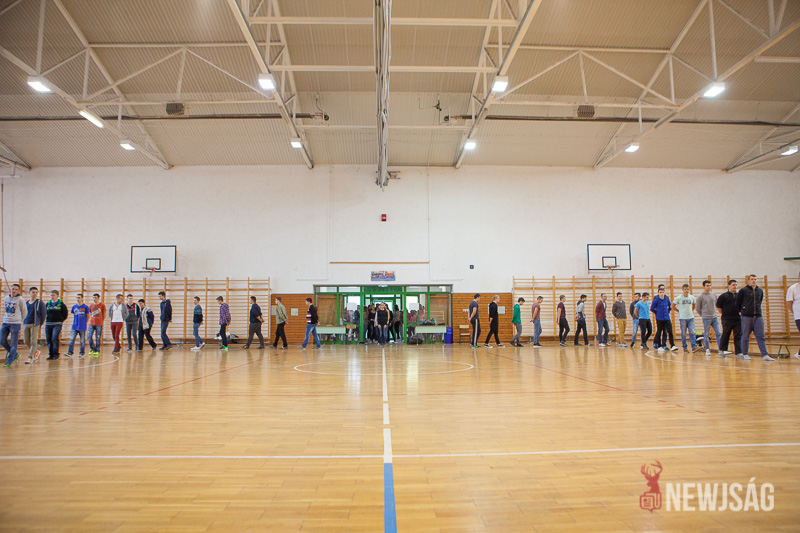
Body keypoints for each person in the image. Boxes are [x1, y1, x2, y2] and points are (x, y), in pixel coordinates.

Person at [736, 274, 774, 361]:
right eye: (752, 279)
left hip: (758, 316)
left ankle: (765, 355)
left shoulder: (760, 291)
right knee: (745, 336)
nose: (753, 281)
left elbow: (759, 301)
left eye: (755, 279)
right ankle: (745, 353)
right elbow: (738, 303)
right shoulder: (743, 290)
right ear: (748, 281)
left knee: (761, 336)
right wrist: (742, 311)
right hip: (746, 316)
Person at [2, 284, 27, 367]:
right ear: (10, 289)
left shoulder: (20, 299)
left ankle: (10, 360)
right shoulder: (6, 298)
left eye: (16, 289)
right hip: (6, 322)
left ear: (18, 291)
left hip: (15, 323)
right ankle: (15, 354)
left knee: (13, 342)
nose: (14, 291)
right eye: (13, 289)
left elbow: (24, 311)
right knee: (2, 340)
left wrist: (20, 321)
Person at [695, 280, 721, 356]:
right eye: (707, 285)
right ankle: (707, 349)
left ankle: (721, 349)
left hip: (714, 317)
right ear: (704, 286)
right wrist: (703, 315)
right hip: (706, 318)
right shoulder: (700, 297)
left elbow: (716, 304)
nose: (709, 287)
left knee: (718, 333)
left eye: (710, 285)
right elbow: (697, 308)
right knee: (706, 334)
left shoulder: (713, 295)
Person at [716, 279, 741, 357]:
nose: (735, 286)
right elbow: (718, 307)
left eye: (736, 285)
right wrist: (725, 313)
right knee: (726, 334)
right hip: (727, 319)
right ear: (729, 286)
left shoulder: (739, 295)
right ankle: (722, 350)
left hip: (738, 319)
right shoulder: (723, 296)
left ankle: (738, 352)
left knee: (738, 335)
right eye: (733, 285)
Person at [22, 286, 45, 364]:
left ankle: (30, 357)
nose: (35, 294)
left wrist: (40, 324)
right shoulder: (26, 303)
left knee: (33, 341)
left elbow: (43, 314)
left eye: (36, 292)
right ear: (29, 293)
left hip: (35, 324)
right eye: (33, 292)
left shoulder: (39, 302)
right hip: (26, 323)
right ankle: (36, 351)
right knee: (26, 341)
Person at [672, 284, 698, 353]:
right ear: (682, 289)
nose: (686, 290)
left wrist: (691, 310)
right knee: (683, 333)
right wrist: (679, 311)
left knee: (692, 332)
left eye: (688, 289)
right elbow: (672, 306)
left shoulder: (691, 297)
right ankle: (684, 347)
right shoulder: (679, 298)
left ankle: (694, 346)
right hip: (682, 318)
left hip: (691, 318)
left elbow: (694, 305)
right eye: (685, 289)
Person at [45, 289, 69, 360]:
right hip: (48, 323)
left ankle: (56, 354)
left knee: (54, 338)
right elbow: (44, 313)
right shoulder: (48, 304)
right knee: (49, 339)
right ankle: (51, 354)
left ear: (57, 296)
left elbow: (65, 314)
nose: (52, 297)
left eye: (53, 295)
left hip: (57, 324)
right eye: (51, 295)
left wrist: (60, 320)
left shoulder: (61, 304)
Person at [650, 288, 676, 352]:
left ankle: (672, 345)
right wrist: (657, 313)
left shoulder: (667, 300)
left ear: (664, 293)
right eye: (660, 292)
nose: (662, 294)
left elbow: (670, 307)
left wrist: (667, 312)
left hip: (667, 318)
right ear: (658, 293)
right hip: (659, 318)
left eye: (663, 292)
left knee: (670, 331)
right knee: (659, 331)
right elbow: (652, 309)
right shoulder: (656, 300)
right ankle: (659, 345)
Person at [786, 271, 800, 360]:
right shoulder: (793, 288)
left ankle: (799, 353)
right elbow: (789, 303)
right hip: (799, 316)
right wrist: (795, 312)